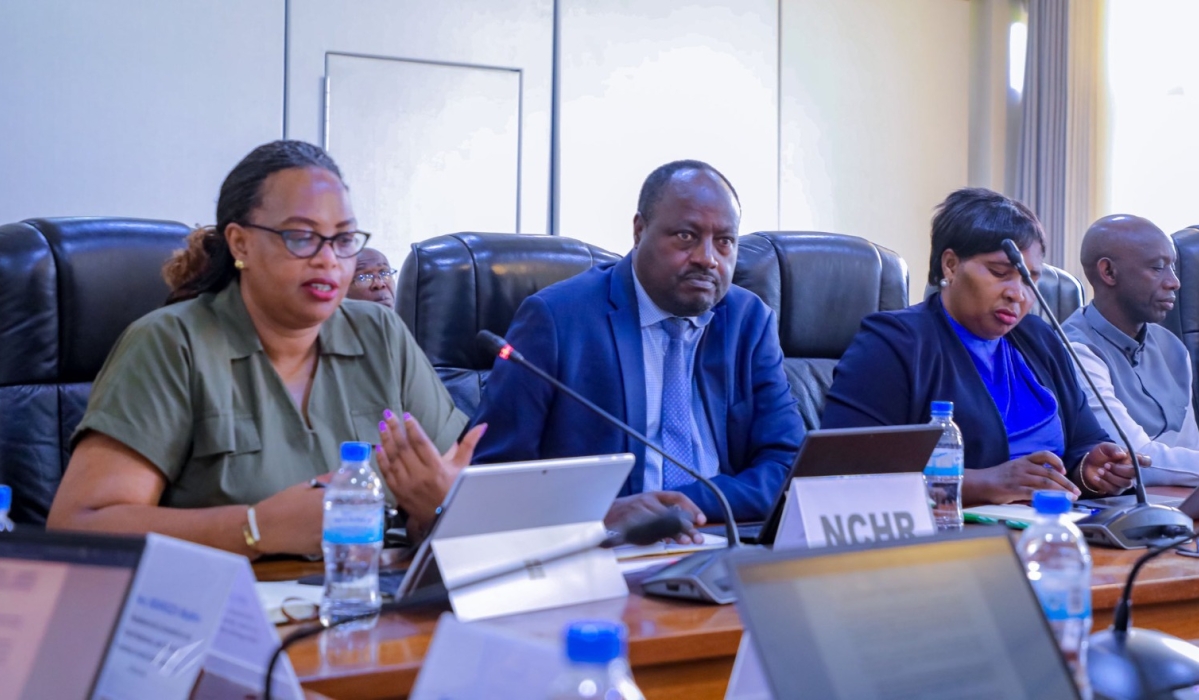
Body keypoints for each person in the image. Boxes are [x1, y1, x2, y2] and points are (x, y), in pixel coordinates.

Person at [47, 140, 483, 556]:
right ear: (241, 243)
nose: (328, 259)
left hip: (368, 604)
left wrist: (440, 510)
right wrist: (256, 528)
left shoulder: (381, 335)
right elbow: (80, 525)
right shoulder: (171, 344)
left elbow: (434, 501)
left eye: (344, 239)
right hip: (220, 614)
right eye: (301, 236)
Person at [470, 160, 804, 532]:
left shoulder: (748, 321)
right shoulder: (558, 319)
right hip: (605, 548)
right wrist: (601, 514)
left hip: (724, 537)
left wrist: (686, 505)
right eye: (686, 236)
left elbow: (788, 464)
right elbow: (491, 478)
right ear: (639, 230)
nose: (708, 258)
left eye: (724, 241)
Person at [822, 187, 1138, 505]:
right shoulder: (894, 342)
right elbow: (846, 472)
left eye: (1030, 279)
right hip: (949, 538)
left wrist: (1091, 469)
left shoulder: (1038, 338)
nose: (1018, 293)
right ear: (950, 265)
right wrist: (981, 483)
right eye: (1000, 273)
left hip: (1048, 525)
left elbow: (1085, 441)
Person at [1063, 215, 1199, 485]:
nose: (1174, 282)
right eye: (1158, 268)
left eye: (1173, 267)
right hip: (1121, 507)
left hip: (1175, 502)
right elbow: (1134, 459)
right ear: (1109, 272)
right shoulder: (1075, 349)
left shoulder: (1173, 346)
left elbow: (1189, 447)